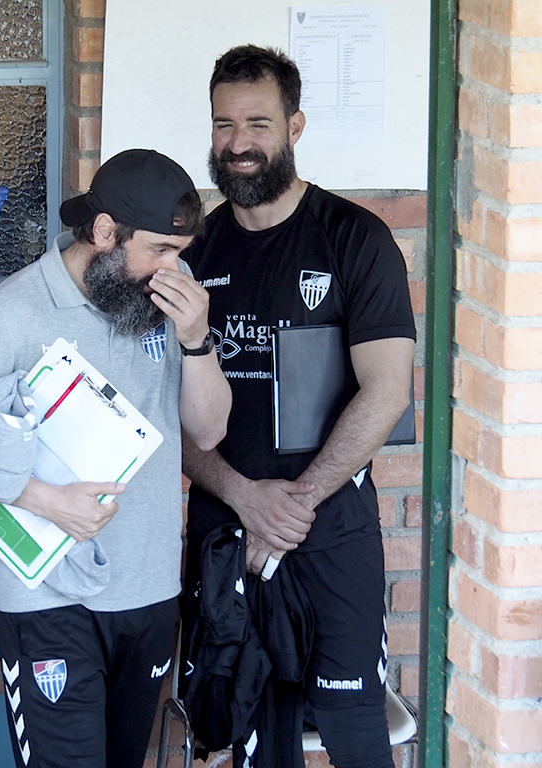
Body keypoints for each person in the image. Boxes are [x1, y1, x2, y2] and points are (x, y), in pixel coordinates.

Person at [0, 148, 232, 768]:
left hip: (146, 584)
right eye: (160, 250)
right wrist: (48, 502)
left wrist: (197, 341)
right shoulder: (9, 312)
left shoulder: (168, 303)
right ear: (105, 232)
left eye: (181, 252)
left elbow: (210, 430)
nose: (174, 269)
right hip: (45, 593)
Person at [182, 46, 415, 768]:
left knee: (355, 730)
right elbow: (167, 417)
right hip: (227, 532)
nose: (239, 143)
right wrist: (246, 500)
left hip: (330, 533)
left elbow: (387, 390)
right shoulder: (192, 254)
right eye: (224, 124)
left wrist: (292, 509)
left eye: (258, 123)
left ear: (295, 126)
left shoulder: (355, 238)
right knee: (237, 728)